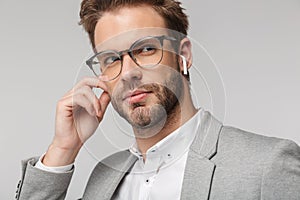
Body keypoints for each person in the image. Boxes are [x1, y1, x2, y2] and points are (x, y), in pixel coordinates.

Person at [16, 0, 300, 199]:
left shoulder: (268, 165)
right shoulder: (103, 179)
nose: (128, 73)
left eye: (146, 49)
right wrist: (63, 148)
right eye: (111, 59)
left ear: (183, 55)